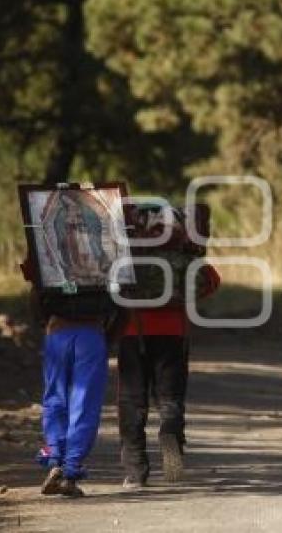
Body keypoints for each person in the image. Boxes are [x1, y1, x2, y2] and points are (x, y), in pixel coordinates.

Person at [118, 204, 220, 488]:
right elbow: (211, 282)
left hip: (131, 332)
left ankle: (135, 472)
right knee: (170, 398)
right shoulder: (182, 256)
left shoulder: (126, 255)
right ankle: (170, 433)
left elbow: (110, 287)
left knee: (132, 401)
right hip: (173, 334)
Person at [21, 256, 123, 498]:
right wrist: (107, 339)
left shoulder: (47, 241)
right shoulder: (106, 244)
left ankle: (55, 460)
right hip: (91, 334)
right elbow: (122, 303)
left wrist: (45, 324)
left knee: (54, 399)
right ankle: (70, 470)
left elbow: (36, 291)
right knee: (84, 403)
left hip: (57, 332)